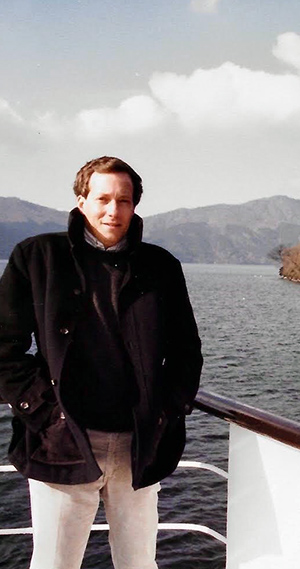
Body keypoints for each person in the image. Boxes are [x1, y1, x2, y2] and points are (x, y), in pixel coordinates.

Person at [0, 156, 203, 569]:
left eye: (124, 201)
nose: (114, 210)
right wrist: (45, 413)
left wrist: (165, 412)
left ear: (135, 206)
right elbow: (3, 348)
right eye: (103, 198)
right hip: (63, 440)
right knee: (55, 564)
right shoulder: (38, 257)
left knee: (138, 562)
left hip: (138, 444)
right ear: (81, 200)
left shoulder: (160, 267)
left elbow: (186, 351)